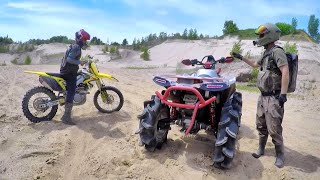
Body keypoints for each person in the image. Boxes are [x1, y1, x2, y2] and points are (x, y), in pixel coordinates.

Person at [232, 23, 289, 168]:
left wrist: (283, 94)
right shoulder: (266, 52)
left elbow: (285, 71)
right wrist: (241, 57)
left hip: (274, 97)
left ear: (270, 35)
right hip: (263, 96)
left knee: (274, 128)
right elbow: (255, 65)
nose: (260, 38)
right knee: (261, 125)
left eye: (262, 35)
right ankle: (261, 149)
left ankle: (280, 155)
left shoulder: (277, 51)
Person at [60, 29, 90, 125]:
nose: (85, 42)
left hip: (67, 71)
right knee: (71, 91)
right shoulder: (76, 47)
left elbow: (72, 58)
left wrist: (80, 62)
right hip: (68, 73)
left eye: (86, 40)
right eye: (84, 40)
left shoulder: (74, 46)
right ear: (80, 39)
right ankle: (66, 117)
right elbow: (69, 59)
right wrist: (79, 62)